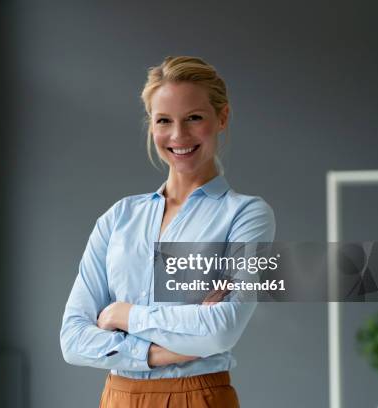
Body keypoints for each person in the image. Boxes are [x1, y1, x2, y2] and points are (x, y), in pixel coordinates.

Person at [60, 56, 275, 408]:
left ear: (221, 118)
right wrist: (162, 353)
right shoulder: (118, 217)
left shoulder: (247, 215)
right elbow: (73, 338)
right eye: (164, 121)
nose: (178, 135)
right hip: (118, 398)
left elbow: (222, 328)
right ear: (152, 126)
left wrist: (123, 314)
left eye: (194, 118)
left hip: (200, 397)